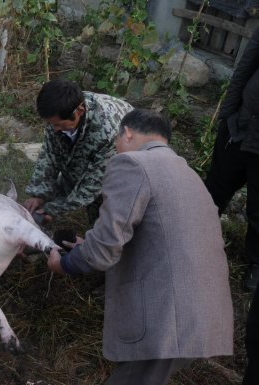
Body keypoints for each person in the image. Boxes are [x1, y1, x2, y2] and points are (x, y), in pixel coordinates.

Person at [47, 109, 234, 385]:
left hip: (167, 318)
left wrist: (65, 264)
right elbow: (160, 236)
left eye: (117, 143)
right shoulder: (188, 173)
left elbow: (106, 245)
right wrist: (89, 243)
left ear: (129, 133)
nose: (117, 150)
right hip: (201, 314)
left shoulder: (133, 164)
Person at [23, 79, 133, 225]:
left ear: (80, 111)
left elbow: (93, 183)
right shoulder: (61, 110)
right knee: (69, 178)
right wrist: (39, 194)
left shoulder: (107, 132)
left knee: (106, 218)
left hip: (126, 166)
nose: (54, 129)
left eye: (59, 125)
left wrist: (54, 209)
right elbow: (50, 156)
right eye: (51, 124)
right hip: (96, 151)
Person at [204, 26, 259, 292]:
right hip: (242, 126)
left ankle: (256, 263)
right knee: (215, 188)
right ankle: (195, 238)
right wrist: (227, 115)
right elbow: (245, 67)